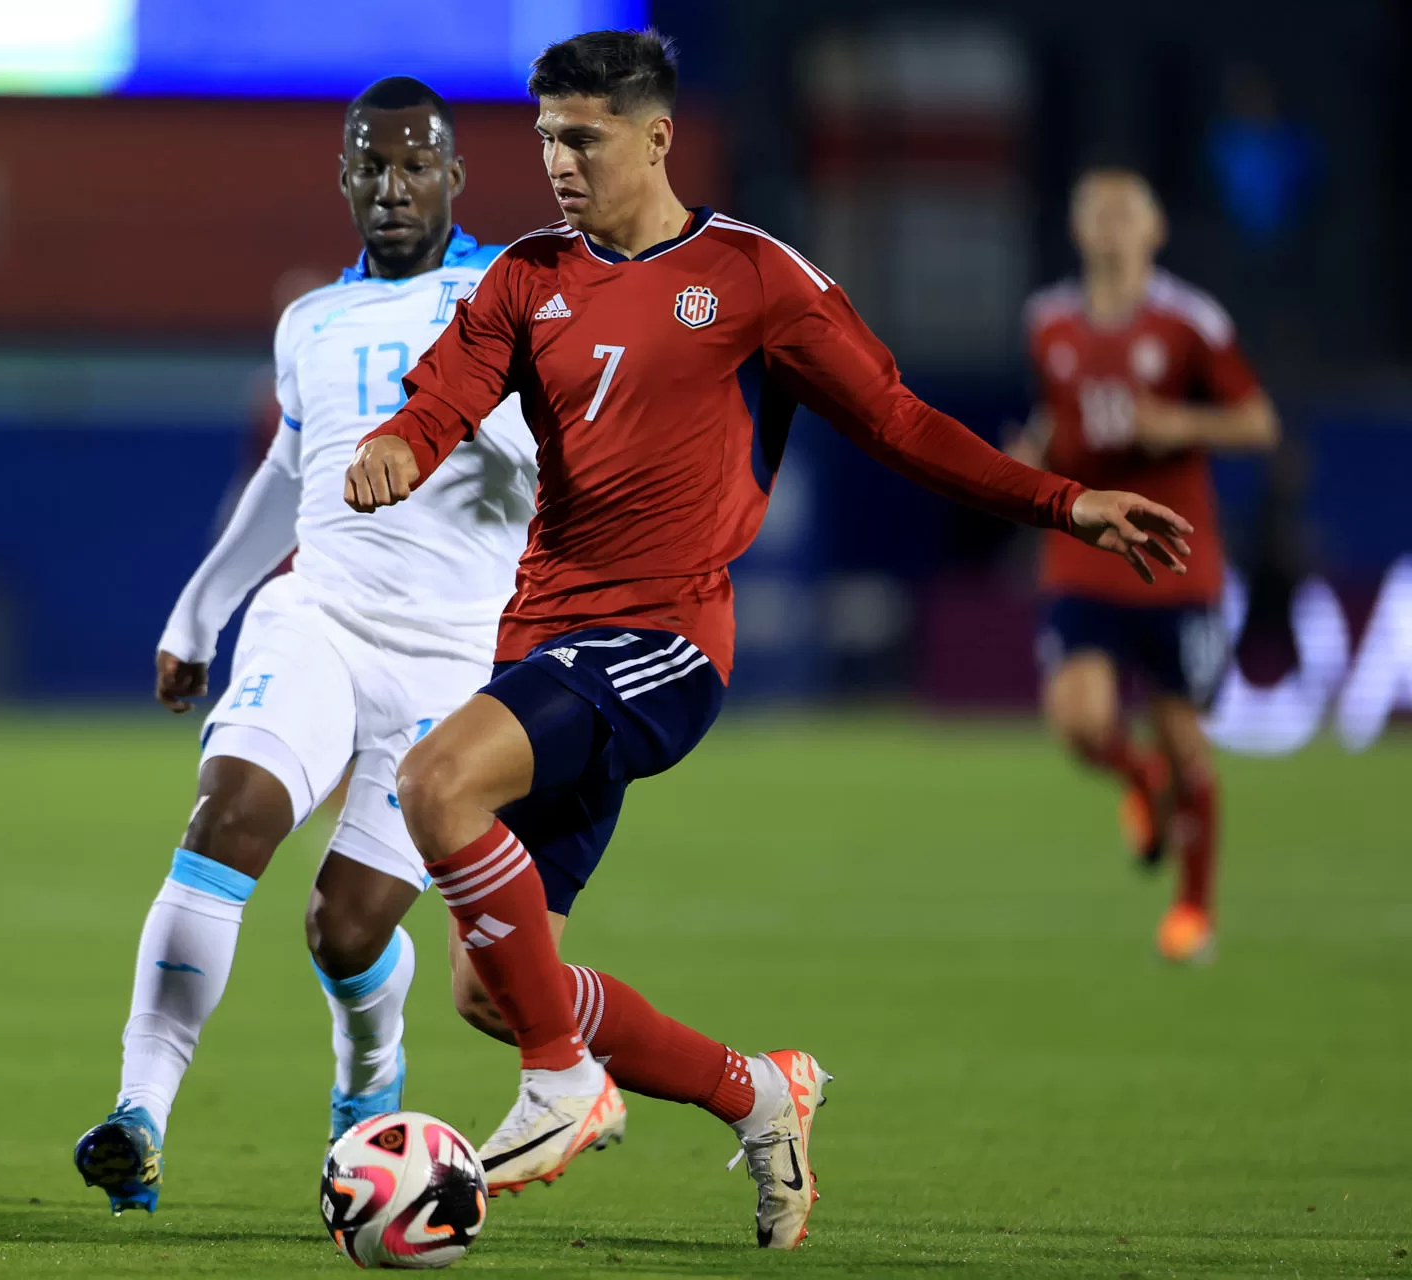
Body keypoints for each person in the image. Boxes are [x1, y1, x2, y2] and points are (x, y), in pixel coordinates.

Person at [343, 31, 1193, 1249]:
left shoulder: (751, 275)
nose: (558, 163)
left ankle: (564, 1082)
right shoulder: (525, 278)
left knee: (434, 781)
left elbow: (898, 420)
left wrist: (1065, 500)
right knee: (493, 983)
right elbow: (440, 399)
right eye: (543, 139)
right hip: (541, 646)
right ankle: (760, 1093)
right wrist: (395, 449)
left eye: (582, 138)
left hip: (666, 637)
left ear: (656, 137)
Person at [71, 78, 539, 1215]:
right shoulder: (311, 324)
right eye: (370, 166)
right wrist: (199, 612)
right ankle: (140, 1113)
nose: (392, 186)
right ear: (342, 177)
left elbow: (563, 457)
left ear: (453, 175)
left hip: (454, 662)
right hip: (317, 618)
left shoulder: (511, 294)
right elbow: (287, 479)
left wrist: (518, 441)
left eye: (415, 164)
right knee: (226, 818)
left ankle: (369, 1077)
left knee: (346, 925)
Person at [1011, 169, 1279, 964]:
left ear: (1155, 229)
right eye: (1097, 210)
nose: (1111, 225)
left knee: (1184, 735)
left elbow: (1258, 422)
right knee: (1076, 717)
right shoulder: (1048, 322)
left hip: (1175, 557)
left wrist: (1179, 422)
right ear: (1078, 227)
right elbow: (1055, 417)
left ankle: (1194, 910)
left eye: (1127, 211)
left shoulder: (1190, 321)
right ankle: (1141, 779)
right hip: (1086, 551)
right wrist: (1032, 452)